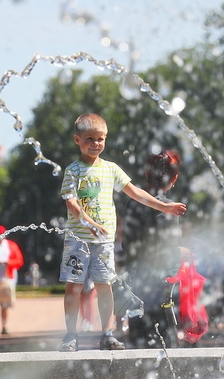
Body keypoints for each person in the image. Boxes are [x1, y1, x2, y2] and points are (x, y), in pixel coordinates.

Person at [58, 113, 187, 352]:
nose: (96, 144)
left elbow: (135, 192)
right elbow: (71, 203)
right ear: (77, 140)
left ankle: (108, 334)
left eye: (100, 139)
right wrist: (89, 223)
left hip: (104, 242)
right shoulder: (73, 171)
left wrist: (164, 206)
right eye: (90, 139)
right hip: (79, 240)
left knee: (105, 285)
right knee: (74, 286)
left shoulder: (111, 169)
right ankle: (70, 334)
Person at [121, 149, 187, 348]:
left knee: (138, 343)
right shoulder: (170, 208)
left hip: (137, 282)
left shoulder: (132, 204)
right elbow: (163, 252)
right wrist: (183, 252)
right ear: (174, 178)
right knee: (165, 343)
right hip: (162, 286)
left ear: (146, 174)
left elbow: (127, 245)